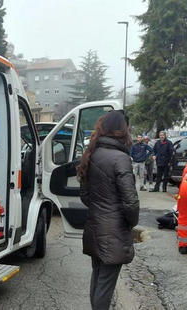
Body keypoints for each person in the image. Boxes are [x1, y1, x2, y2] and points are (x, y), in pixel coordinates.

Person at [77, 111, 140, 310]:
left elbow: (85, 195)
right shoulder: (120, 158)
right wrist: (130, 223)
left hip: (95, 225)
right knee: (105, 284)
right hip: (113, 231)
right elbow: (130, 202)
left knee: (98, 277)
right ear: (122, 130)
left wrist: (101, 209)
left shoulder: (92, 154)